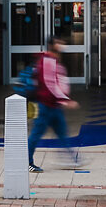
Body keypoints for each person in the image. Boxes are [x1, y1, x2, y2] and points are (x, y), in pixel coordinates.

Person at [27, 36, 80, 171]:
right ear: (52, 45)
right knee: (37, 133)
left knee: (62, 132)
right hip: (45, 105)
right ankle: (27, 162)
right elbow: (50, 84)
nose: (62, 44)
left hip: (54, 106)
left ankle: (72, 159)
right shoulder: (48, 62)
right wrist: (65, 100)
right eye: (59, 42)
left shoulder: (55, 61)